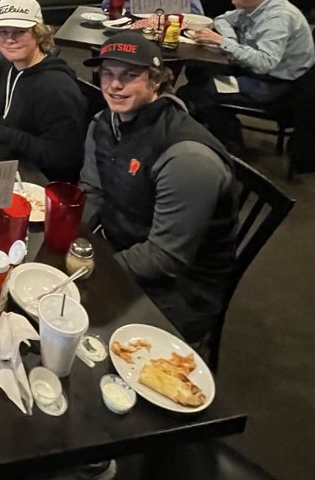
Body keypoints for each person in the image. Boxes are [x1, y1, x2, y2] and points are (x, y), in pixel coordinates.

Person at [79, 32, 236, 347]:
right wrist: (69, 240)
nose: (114, 85)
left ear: (156, 81)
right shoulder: (102, 123)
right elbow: (91, 191)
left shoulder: (187, 157)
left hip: (179, 289)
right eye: (107, 74)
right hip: (120, 245)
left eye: (130, 76)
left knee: (80, 335)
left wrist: (96, 272)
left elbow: (166, 256)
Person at [0, 0, 86, 181]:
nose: (9, 39)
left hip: (39, 180)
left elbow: (63, 156)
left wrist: (2, 134)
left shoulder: (56, 88)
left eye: (19, 32)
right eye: (3, 32)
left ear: (39, 35)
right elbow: (3, 92)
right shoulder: (12, 64)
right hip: (11, 160)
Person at [179, 0, 315, 143]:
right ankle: (205, 130)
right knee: (197, 71)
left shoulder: (278, 19)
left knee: (197, 92)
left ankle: (231, 142)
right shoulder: (256, 6)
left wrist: (222, 42)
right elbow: (222, 20)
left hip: (275, 84)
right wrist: (232, 42)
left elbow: (265, 62)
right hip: (257, 72)